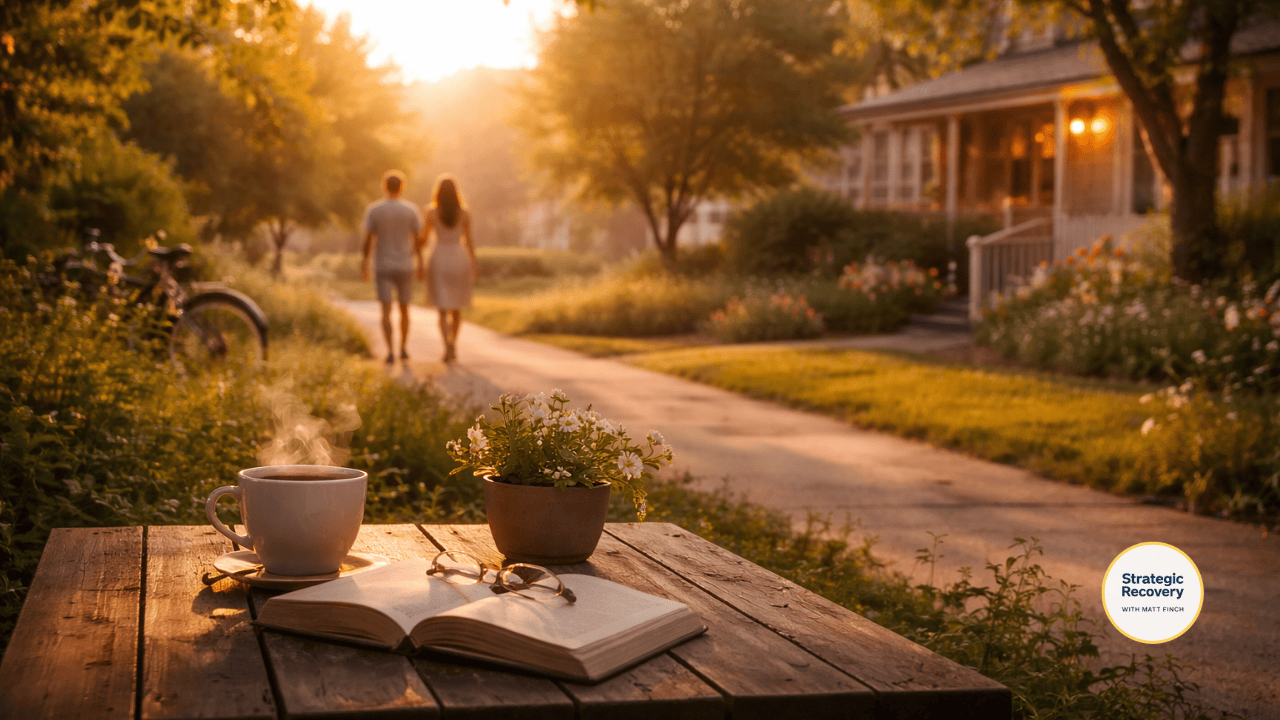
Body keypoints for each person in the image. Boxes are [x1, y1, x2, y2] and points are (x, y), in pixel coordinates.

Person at [362, 170, 423, 364]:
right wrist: (420, 262)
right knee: (405, 309)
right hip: (406, 264)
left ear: (384, 186)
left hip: (383, 265)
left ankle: (389, 351)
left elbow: (368, 240)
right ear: (402, 187)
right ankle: (403, 348)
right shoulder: (411, 210)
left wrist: (365, 263)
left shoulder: (374, 209)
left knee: (386, 310)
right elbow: (418, 240)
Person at [420, 175, 478, 363]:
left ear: (437, 192)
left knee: (442, 309)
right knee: (457, 307)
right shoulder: (464, 213)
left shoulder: (430, 212)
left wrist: (414, 243)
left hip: (438, 258)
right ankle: (454, 343)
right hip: (459, 258)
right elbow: (469, 241)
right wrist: (474, 264)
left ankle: (447, 346)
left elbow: (423, 239)